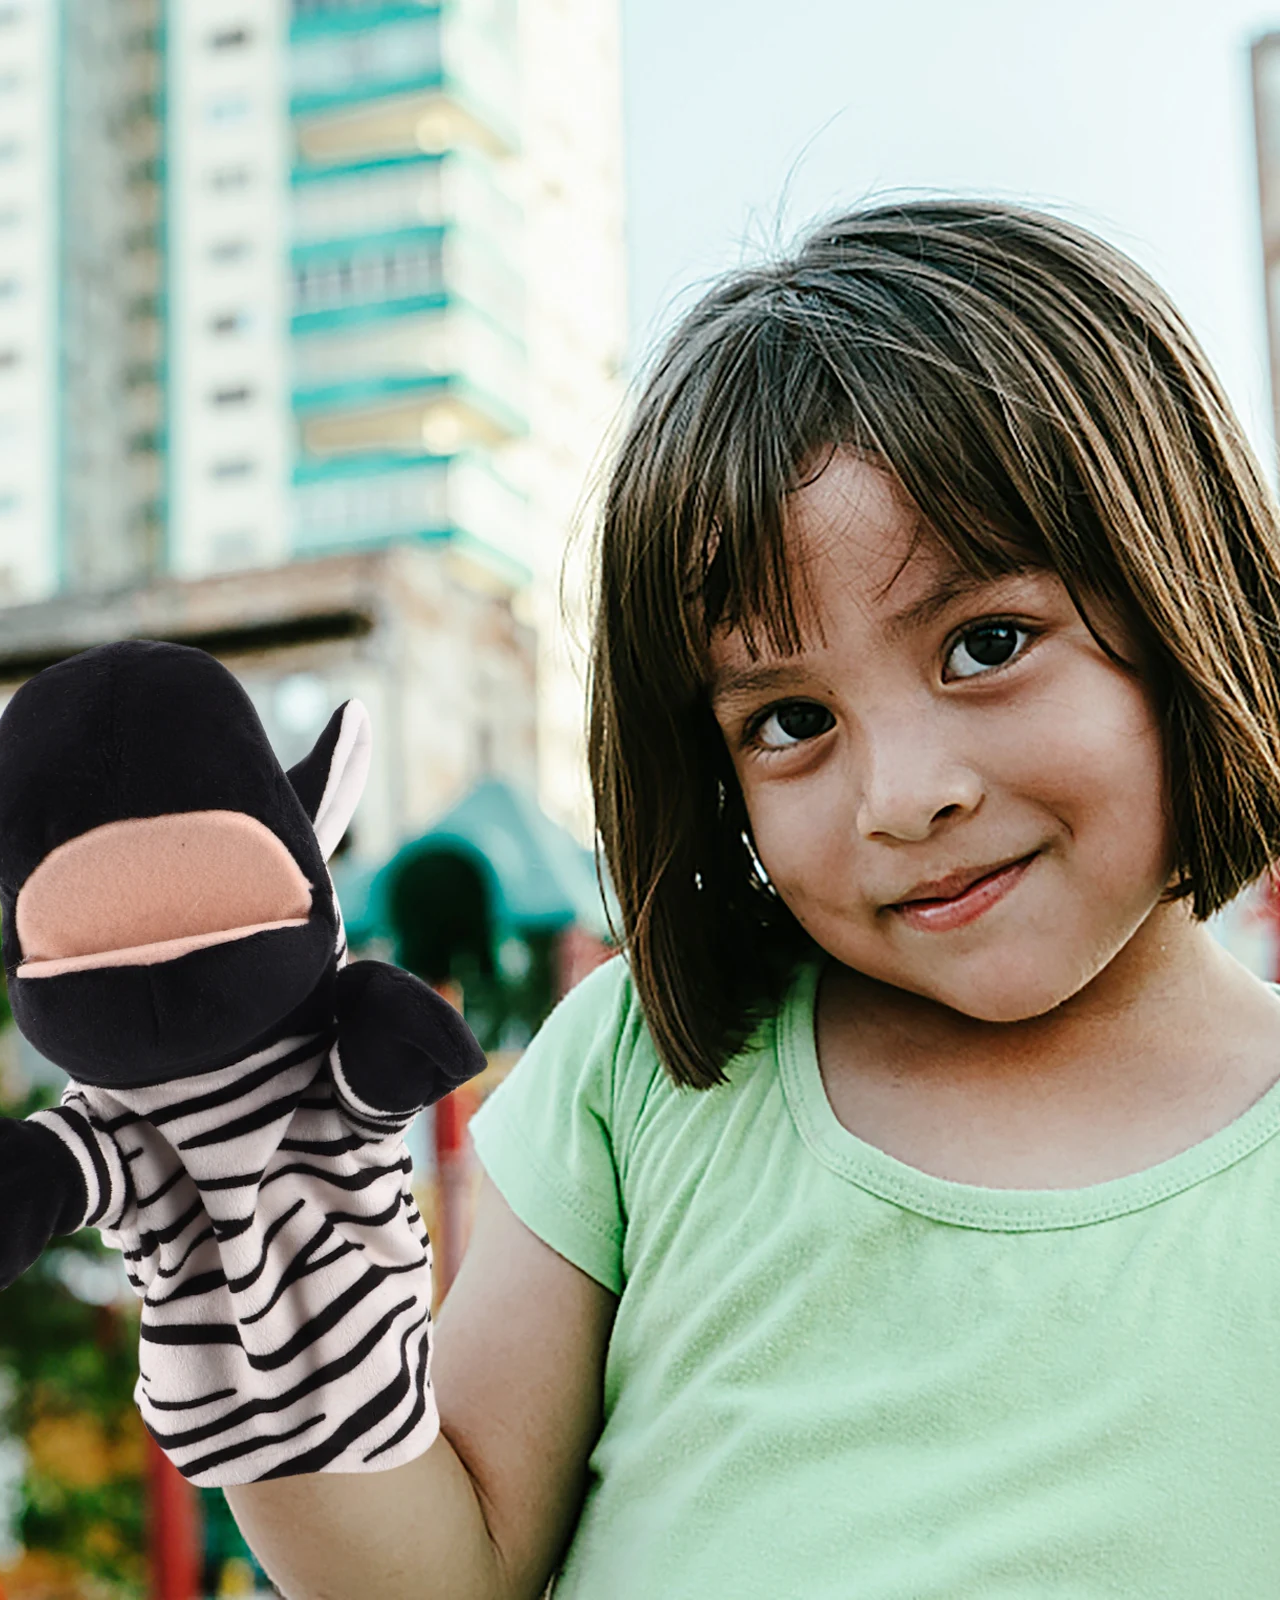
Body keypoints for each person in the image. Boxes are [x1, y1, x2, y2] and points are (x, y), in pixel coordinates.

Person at [225, 200, 1280, 1596]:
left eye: (988, 643)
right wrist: (246, 1252)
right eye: (788, 720)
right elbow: (434, 1574)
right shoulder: (653, 1071)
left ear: (1183, 596)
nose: (901, 795)